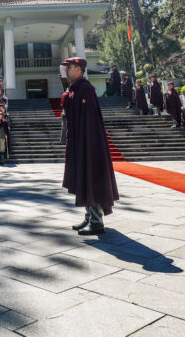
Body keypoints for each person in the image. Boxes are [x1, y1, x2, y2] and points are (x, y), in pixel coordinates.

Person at [60, 57, 119, 235]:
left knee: (91, 177)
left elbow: (90, 121)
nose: (66, 71)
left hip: (88, 143)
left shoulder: (85, 89)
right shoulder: (75, 89)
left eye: (69, 68)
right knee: (83, 178)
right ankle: (89, 217)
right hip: (80, 141)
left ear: (79, 70)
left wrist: (86, 144)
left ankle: (96, 222)